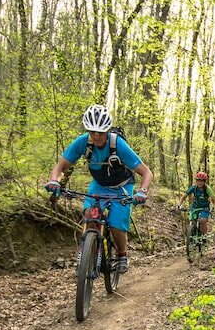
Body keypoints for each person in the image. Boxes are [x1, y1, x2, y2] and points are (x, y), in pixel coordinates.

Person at [45, 104, 153, 273]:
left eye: (101, 132)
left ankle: (122, 255)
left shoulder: (119, 145)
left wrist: (142, 192)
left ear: (108, 129)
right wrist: (54, 180)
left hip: (122, 187)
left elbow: (146, 173)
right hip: (99, 185)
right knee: (89, 215)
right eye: (92, 131)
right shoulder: (82, 142)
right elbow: (61, 166)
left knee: (117, 225)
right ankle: (88, 252)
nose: (96, 136)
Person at [178, 171, 215, 241]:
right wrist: (179, 205)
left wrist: (213, 206)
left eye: (202, 181)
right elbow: (184, 196)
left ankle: (204, 237)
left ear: (204, 181)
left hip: (205, 208)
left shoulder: (207, 189)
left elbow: (213, 199)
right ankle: (191, 236)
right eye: (198, 180)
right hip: (194, 207)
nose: (200, 182)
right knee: (192, 220)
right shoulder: (193, 188)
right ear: (196, 180)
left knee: (203, 220)